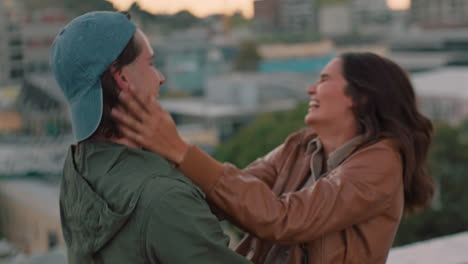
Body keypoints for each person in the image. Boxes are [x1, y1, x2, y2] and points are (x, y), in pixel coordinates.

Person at [112, 52, 435, 263]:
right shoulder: (300, 146)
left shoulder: (381, 163)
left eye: (323, 80)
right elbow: (230, 194)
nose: (310, 90)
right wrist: (157, 156)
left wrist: (180, 149)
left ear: (361, 95)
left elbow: (284, 220)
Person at [50, 11, 251, 264]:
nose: (161, 78)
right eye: (151, 64)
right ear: (122, 77)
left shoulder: (77, 171)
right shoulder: (165, 197)